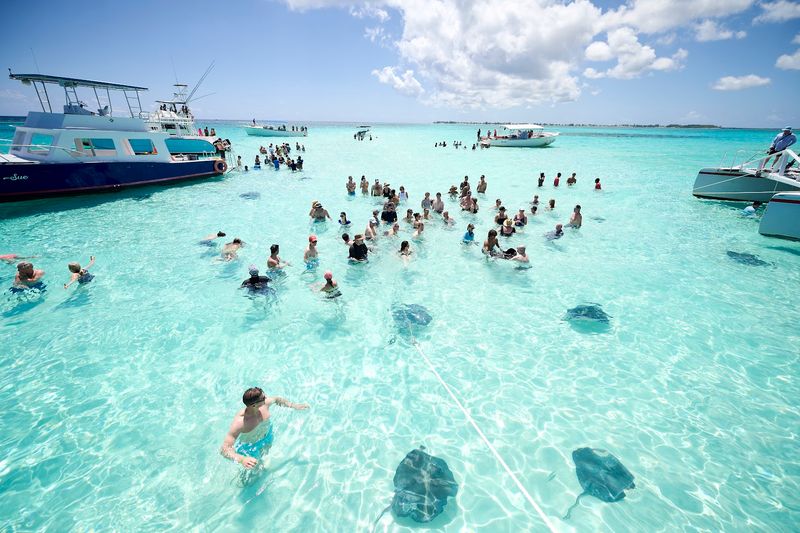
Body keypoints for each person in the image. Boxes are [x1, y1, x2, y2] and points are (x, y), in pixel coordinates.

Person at [220, 387, 309, 470]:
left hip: (267, 436)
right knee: (254, 472)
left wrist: (294, 405)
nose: (266, 398)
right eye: (263, 398)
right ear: (254, 405)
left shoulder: (265, 404)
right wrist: (242, 459)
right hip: (250, 447)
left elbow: (277, 399)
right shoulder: (240, 422)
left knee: (266, 462)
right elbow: (224, 449)